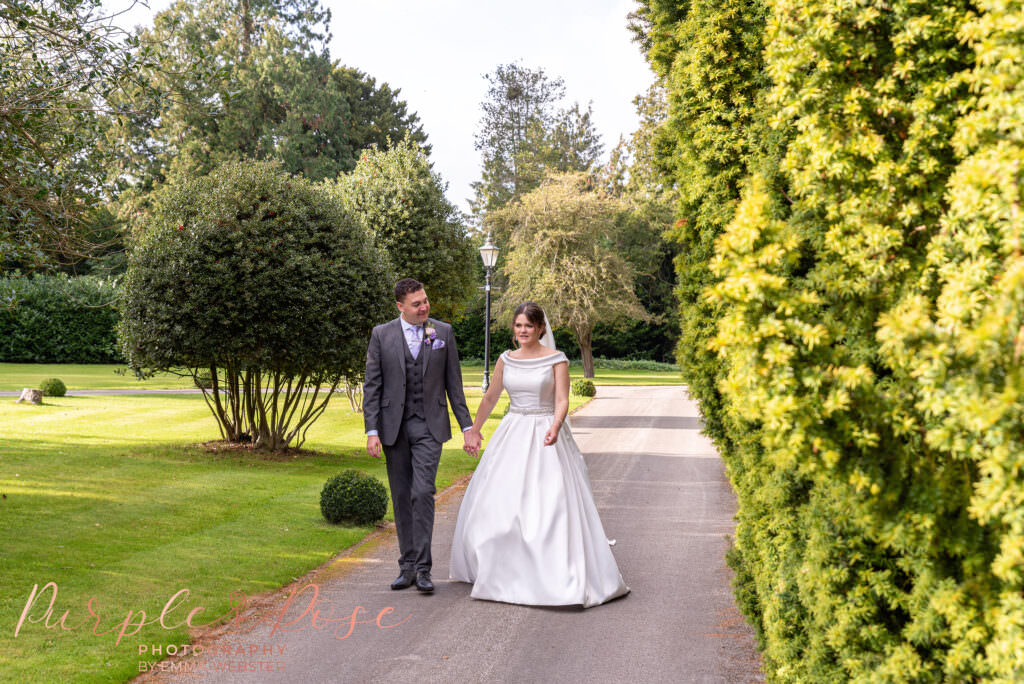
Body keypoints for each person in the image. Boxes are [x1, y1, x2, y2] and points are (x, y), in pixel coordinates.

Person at [449, 302, 630, 607]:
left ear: (541, 329)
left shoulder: (556, 360)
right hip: (513, 431)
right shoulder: (505, 359)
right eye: (518, 325)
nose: (523, 331)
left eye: (529, 326)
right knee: (500, 500)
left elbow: (561, 400)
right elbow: (492, 396)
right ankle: (498, 567)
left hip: (546, 432)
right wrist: (475, 429)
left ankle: (552, 569)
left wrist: (557, 425)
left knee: (549, 501)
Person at [364, 278, 478, 593]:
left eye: (425, 301)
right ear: (400, 306)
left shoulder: (443, 333)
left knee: (422, 492)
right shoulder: (381, 335)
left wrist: (468, 427)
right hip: (393, 427)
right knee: (401, 496)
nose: (424, 307)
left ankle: (425, 569)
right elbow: (372, 385)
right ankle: (408, 568)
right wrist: (372, 430)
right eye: (417, 304)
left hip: (430, 426)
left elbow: (454, 385)